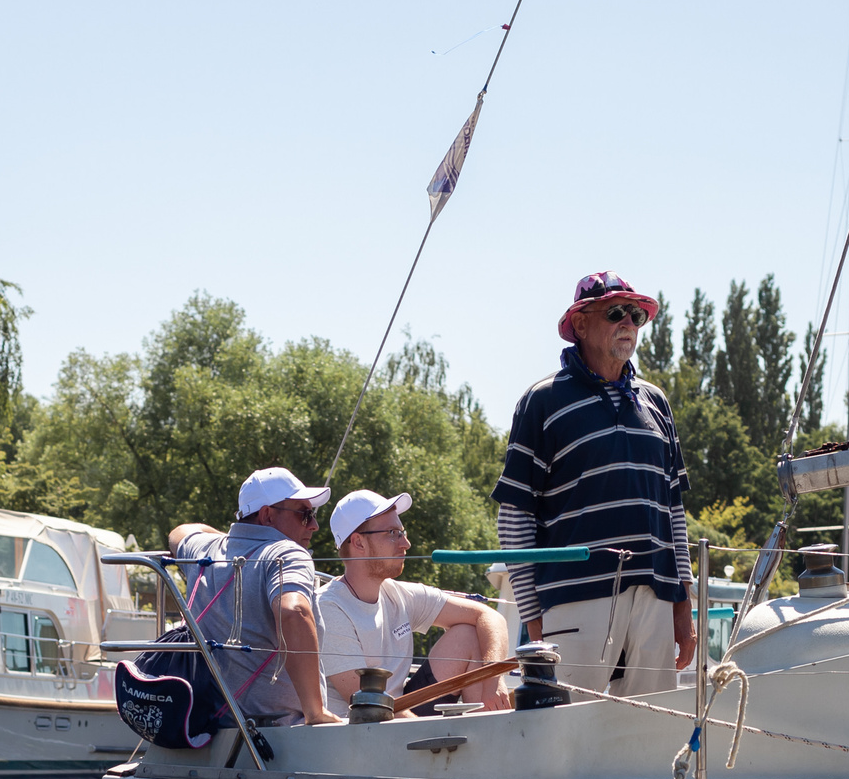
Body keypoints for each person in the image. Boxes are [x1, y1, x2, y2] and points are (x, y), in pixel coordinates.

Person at [493, 270, 697, 698]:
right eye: (616, 313)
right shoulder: (542, 400)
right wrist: (533, 619)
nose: (629, 323)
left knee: (650, 731)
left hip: (656, 598)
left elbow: (674, 512)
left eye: (637, 315)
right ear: (581, 324)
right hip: (573, 598)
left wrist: (683, 606)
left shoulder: (656, 401)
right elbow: (514, 517)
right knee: (567, 730)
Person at [168, 466, 344, 726]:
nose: (315, 526)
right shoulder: (288, 553)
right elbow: (294, 612)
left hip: (207, 724)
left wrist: (240, 539)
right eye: (305, 515)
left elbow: (179, 533)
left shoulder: (205, 550)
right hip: (275, 735)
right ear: (267, 515)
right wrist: (315, 712)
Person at [316, 489, 511, 715]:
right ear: (358, 543)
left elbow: (489, 616)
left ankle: (485, 738)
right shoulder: (328, 608)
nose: (406, 543)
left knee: (469, 634)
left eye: (402, 532)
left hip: (402, 717)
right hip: (366, 732)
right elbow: (370, 704)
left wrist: (493, 678)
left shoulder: (399, 594)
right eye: (392, 533)